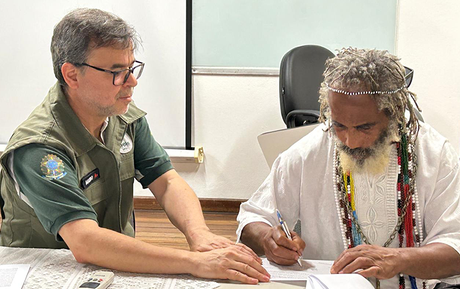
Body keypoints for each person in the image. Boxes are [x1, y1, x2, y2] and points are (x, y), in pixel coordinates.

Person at [0, 8, 270, 284]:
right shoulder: (39, 148)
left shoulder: (122, 116)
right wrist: (194, 262)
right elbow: (84, 241)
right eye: (117, 72)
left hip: (114, 264)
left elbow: (166, 182)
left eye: (131, 67)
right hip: (47, 271)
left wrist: (198, 234)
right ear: (71, 75)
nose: (132, 81)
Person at [237, 48, 460, 288]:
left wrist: (399, 258)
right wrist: (269, 238)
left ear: (393, 113)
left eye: (364, 127)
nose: (350, 141)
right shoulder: (309, 151)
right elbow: (253, 218)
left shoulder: (434, 153)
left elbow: (455, 246)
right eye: (339, 125)